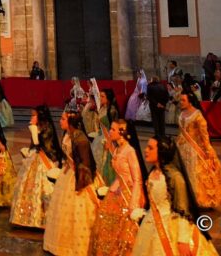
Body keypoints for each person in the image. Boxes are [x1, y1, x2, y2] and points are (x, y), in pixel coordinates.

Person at [131, 136, 218, 256]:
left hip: (170, 227)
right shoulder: (153, 172)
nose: (146, 150)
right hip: (151, 225)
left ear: (162, 152)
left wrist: (183, 240)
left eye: (150, 148)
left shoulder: (175, 177)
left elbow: (183, 210)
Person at [42, 111, 97, 255]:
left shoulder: (80, 138)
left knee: (77, 212)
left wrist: (80, 184)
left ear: (71, 122)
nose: (60, 121)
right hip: (68, 173)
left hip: (79, 178)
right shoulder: (66, 135)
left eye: (63, 119)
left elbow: (85, 164)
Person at [88, 119, 145, 256]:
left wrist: (133, 203)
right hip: (116, 190)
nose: (110, 132)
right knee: (106, 224)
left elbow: (137, 179)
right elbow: (119, 171)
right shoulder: (119, 148)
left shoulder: (130, 151)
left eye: (113, 129)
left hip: (128, 195)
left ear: (122, 133)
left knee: (123, 231)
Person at [9, 105, 64, 229]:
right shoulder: (37, 127)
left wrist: (34, 131)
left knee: (43, 187)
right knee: (27, 185)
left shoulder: (47, 128)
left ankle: (44, 216)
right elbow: (34, 146)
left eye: (34, 115)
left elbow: (42, 146)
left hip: (45, 161)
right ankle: (26, 216)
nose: (31, 117)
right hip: (35, 158)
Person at [174, 92, 221, 209]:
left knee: (198, 175)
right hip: (182, 148)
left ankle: (200, 200)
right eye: (180, 100)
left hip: (195, 149)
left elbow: (204, 135)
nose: (180, 102)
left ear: (190, 101)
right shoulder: (182, 113)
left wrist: (207, 150)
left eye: (183, 100)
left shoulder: (197, 115)